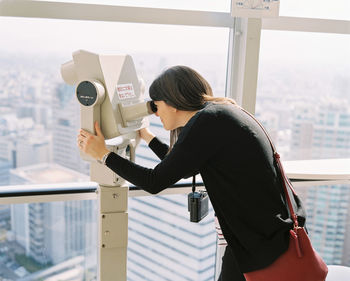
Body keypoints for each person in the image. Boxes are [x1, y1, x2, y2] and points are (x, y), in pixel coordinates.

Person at [77, 65, 305, 280]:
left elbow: (154, 181)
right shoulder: (219, 114)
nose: (156, 114)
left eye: (156, 105)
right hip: (265, 232)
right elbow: (184, 166)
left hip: (257, 239)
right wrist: (147, 137)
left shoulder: (207, 122)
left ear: (172, 103)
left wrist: (103, 154)